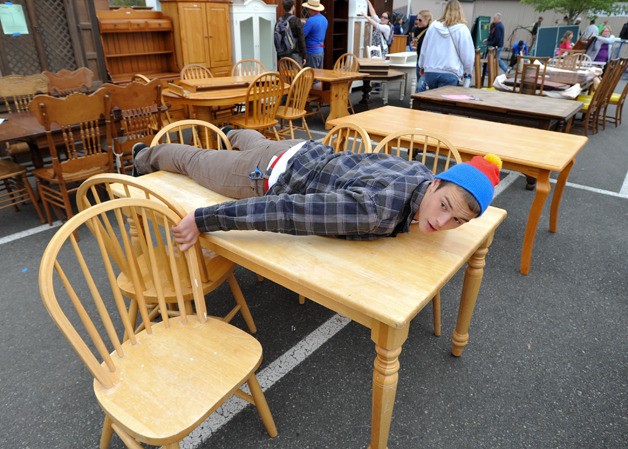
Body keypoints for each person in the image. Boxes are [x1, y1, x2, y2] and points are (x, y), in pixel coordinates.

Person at [131, 129, 502, 251]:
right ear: (436, 182)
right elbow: (286, 211)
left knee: (257, 141)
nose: (442, 221)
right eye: (444, 205)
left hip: (303, 148)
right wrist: (203, 219)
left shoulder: (420, 172)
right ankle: (142, 156)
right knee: (195, 160)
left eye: (457, 221)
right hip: (266, 174)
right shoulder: (375, 210)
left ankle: (231, 130)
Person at [418, 0, 474, 91]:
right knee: (443, 103)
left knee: (432, 100)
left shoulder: (433, 26)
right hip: (450, 71)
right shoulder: (462, 29)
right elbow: (467, 55)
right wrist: (468, 71)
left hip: (431, 71)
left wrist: (422, 65)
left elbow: (424, 48)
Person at [277, 0, 306, 66]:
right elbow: (301, 39)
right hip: (295, 53)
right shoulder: (296, 21)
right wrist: (304, 55)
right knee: (296, 75)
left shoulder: (279, 20)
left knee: (285, 74)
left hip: (283, 54)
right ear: (293, 7)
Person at [411, 10, 433, 93]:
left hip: (428, 62)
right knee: (419, 82)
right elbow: (415, 43)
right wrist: (414, 44)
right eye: (417, 19)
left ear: (428, 20)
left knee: (421, 85)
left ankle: (419, 101)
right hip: (419, 60)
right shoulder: (416, 29)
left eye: (420, 20)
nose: (417, 22)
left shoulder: (431, 31)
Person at [302, 0, 328, 69]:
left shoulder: (311, 21)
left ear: (311, 9)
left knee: (311, 77)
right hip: (320, 51)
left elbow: (302, 35)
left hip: (311, 52)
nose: (308, 10)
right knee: (319, 76)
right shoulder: (324, 19)